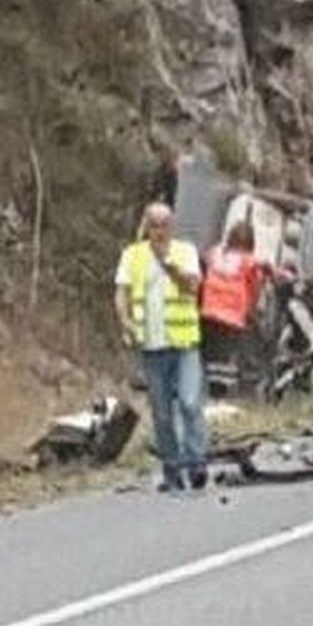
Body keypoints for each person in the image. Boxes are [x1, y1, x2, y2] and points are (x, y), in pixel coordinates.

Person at [114, 202, 210, 492]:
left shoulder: (185, 252)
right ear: (146, 226)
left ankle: (196, 461)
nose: (159, 231)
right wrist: (126, 322)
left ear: (172, 226)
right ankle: (172, 467)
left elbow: (193, 286)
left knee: (190, 402)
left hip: (183, 343)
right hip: (152, 346)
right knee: (162, 413)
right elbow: (121, 293)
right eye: (153, 225)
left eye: (164, 225)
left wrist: (169, 266)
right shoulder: (132, 256)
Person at [200, 221, 273, 399]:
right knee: (225, 358)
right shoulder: (248, 260)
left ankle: (204, 391)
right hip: (231, 315)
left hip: (209, 310)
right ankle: (218, 396)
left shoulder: (215, 253)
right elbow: (255, 284)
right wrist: (252, 310)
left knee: (210, 354)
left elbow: (204, 263)